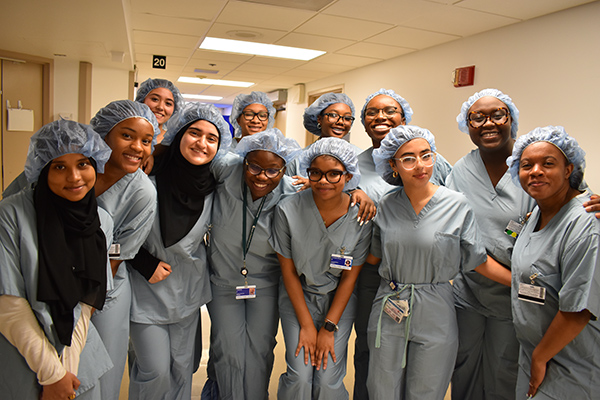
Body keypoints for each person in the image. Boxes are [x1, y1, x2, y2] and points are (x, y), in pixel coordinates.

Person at [367, 125, 509, 399]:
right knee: (382, 388)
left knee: (428, 389)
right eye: (408, 159)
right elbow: (372, 255)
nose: (420, 165)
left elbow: (477, 260)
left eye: (426, 155)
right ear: (393, 165)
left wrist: (519, 283)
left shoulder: (457, 204)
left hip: (436, 306)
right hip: (391, 301)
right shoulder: (386, 204)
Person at [0, 120, 114, 400]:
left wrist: (67, 371)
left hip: (78, 360)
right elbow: (9, 303)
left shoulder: (101, 221)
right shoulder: (11, 214)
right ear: (42, 170)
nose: (74, 177)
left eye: (83, 164)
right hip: (24, 356)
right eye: (59, 167)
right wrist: (52, 374)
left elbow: (87, 303)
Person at [127, 102, 231, 400]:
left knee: (183, 368)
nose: (202, 143)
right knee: (155, 371)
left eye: (212, 138)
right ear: (179, 135)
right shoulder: (146, 178)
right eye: (194, 133)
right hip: (146, 289)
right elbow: (111, 228)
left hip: (187, 290)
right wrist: (143, 263)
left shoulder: (213, 186)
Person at [353, 88, 450, 399]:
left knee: (420, 356)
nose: (381, 117)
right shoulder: (354, 164)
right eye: (372, 112)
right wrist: (351, 191)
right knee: (371, 348)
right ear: (364, 123)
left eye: (390, 110)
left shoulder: (433, 162)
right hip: (373, 271)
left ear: (404, 118)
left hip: (422, 273)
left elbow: (455, 204)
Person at [201, 128, 302, 400]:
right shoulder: (227, 168)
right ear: (244, 160)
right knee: (228, 350)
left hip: (265, 284)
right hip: (223, 282)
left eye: (272, 170)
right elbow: (191, 158)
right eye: (254, 167)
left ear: (284, 169)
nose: (261, 176)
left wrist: (356, 191)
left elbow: (334, 184)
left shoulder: (292, 191)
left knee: (260, 350)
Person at [271, 137, 372, 399]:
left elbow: (350, 278)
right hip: (298, 296)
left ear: (348, 175)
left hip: (339, 300)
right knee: (300, 375)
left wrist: (328, 328)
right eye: (315, 173)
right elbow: (288, 272)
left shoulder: (360, 217)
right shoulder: (287, 209)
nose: (323, 181)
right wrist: (306, 326)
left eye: (333, 174)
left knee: (328, 379)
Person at [507, 126, 600, 399]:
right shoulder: (536, 213)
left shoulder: (586, 223)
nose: (536, 171)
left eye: (548, 163)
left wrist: (540, 357)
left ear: (569, 169)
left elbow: (578, 309)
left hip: (572, 362)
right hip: (537, 352)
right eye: (527, 165)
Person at [448, 88, 528, 400]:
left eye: (497, 115)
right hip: (469, 290)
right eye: (477, 118)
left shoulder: (530, 163)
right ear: (467, 125)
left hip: (516, 295)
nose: (488, 123)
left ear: (511, 119)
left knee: (504, 370)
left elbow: (571, 197)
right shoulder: (461, 171)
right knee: (464, 366)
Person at [88, 99, 159, 399]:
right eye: (127, 136)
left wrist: (88, 300)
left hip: (107, 284)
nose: (137, 147)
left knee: (105, 370)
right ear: (104, 134)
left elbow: (117, 256)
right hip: (55, 278)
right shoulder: (77, 169)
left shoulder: (142, 192)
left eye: (146, 141)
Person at [135, 78, 184, 144]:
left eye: (168, 103)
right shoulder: (125, 134)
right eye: (155, 99)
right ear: (141, 101)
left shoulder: (174, 142)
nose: (160, 107)